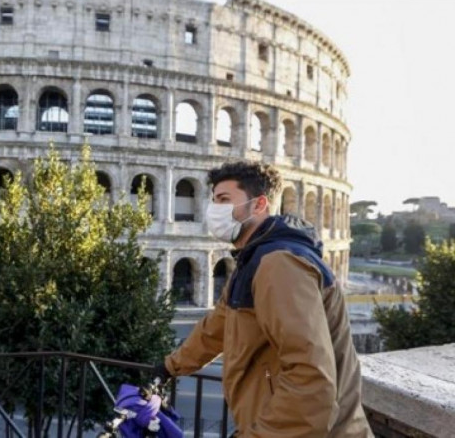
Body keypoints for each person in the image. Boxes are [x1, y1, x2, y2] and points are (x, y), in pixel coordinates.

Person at [155, 161, 373, 437]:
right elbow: (216, 329)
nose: (213, 210)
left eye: (224, 200)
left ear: (258, 205)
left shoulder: (279, 264)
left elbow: (311, 375)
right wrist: (169, 367)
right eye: (213, 201)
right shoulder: (255, 259)